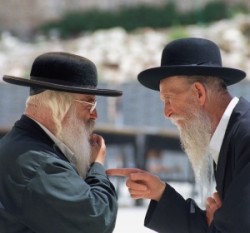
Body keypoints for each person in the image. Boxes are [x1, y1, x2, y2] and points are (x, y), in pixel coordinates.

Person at [107, 37, 250, 232]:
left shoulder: (246, 136)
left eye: (169, 99)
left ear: (198, 93)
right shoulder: (232, 135)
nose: (166, 113)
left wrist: (218, 224)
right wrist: (160, 193)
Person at [0, 52, 122, 233]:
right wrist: (97, 167)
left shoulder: (22, 146)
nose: (94, 115)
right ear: (58, 105)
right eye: (89, 104)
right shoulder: (39, 163)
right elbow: (96, 221)